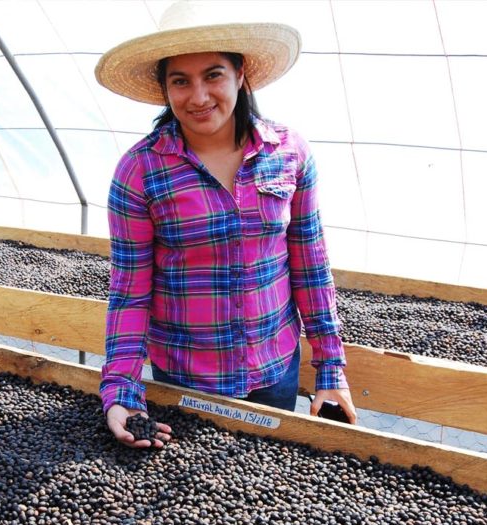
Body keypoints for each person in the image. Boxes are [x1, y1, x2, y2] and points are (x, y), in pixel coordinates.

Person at [94, 1, 356, 449]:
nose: (198, 97)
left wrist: (330, 368)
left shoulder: (289, 152)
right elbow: (131, 289)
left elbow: (310, 264)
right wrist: (123, 391)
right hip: (186, 376)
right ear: (164, 89)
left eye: (213, 75)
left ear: (240, 75)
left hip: (274, 369)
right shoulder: (140, 171)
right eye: (180, 81)